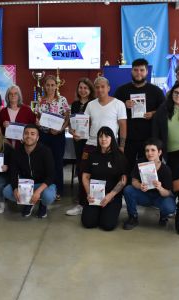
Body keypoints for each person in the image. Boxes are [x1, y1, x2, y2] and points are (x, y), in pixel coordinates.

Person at [75, 76, 127, 211]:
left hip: (110, 146)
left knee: (109, 174)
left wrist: (121, 145)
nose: (100, 89)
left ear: (108, 88)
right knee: (83, 173)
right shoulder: (90, 104)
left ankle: (109, 200)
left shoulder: (118, 104)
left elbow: (123, 126)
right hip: (91, 144)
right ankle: (83, 203)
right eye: (97, 87)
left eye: (103, 86)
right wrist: (77, 134)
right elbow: (85, 124)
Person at [114, 58, 165, 173]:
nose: (138, 73)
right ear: (131, 71)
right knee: (125, 167)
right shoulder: (121, 91)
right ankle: (126, 190)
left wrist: (153, 113)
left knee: (147, 169)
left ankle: (147, 190)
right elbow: (113, 111)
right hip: (128, 139)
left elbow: (164, 111)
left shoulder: (156, 91)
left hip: (149, 139)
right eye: (135, 70)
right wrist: (123, 104)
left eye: (142, 70)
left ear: (147, 72)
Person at [3, 124, 56, 218]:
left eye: (32, 134)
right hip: (26, 184)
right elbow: (13, 174)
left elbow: (51, 176)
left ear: (37, 137)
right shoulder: (16, 152)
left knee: (48, 196)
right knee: (7, 191)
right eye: (26, 133)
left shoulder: (46, 151)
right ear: (22, 136)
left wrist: (38, 192)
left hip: (42, 184)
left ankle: (43, 204)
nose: (29, 136)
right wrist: (15, 189)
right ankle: (29, 202)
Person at [122, 138, 176, 229]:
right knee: (128, 190)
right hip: (144, 195)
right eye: (147, 150)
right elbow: (133, 181)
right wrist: (140, 186)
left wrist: (160, 187)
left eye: (153, 150)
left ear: (159, 152)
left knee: (170, 207)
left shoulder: (165, 169)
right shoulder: (140, 162)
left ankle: (163, 216)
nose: (149, 153)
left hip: (159, 197)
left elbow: (168, 192)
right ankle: (133, 217)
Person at [81, 126, 127, 231]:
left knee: (107, 225)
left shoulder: (119, 156)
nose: (103, 139)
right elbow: (85, 176)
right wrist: (89, 193)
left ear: (112, 138)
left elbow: (123, 180)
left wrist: (110, 195)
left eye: (107, 136)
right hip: (94, 195)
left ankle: (108, 211)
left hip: (112, 196)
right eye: (100, 136)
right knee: (88, 223)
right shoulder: (92, 155)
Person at [34, 75, 70, 200]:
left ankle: (58, 190)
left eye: (52, 85)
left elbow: (67, 118)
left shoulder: (62, 100)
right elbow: (37, 117)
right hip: (44, 136)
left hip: (58, 136)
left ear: (56, 86)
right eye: (48, 85)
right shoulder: (40, 100)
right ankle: (44, 189)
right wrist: (37, 123)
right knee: (44, 163)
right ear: (44, 86)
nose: (50, 87)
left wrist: (61, 129)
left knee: (57, 163)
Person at [65, 78, 96, 216]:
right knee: (81, 168)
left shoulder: (94, 104)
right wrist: (71, 131)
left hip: (90, 141)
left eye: (86, 88)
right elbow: (72, 123)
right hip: (78, 141)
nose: (83, 90)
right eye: (80, 88)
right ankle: (81, 197)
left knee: (91, 169)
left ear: (90, 90)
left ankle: (92, 197)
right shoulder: (75, 104)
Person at [0, 85, 36, 149]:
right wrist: (3, 125)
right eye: (10, 94)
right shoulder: (3, 112)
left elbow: (34, 126)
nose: (13, 95)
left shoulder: (27, 110)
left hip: (24, 146)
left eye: (15, 93)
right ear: (7, 96)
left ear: (19, 96)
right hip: (6, 146)